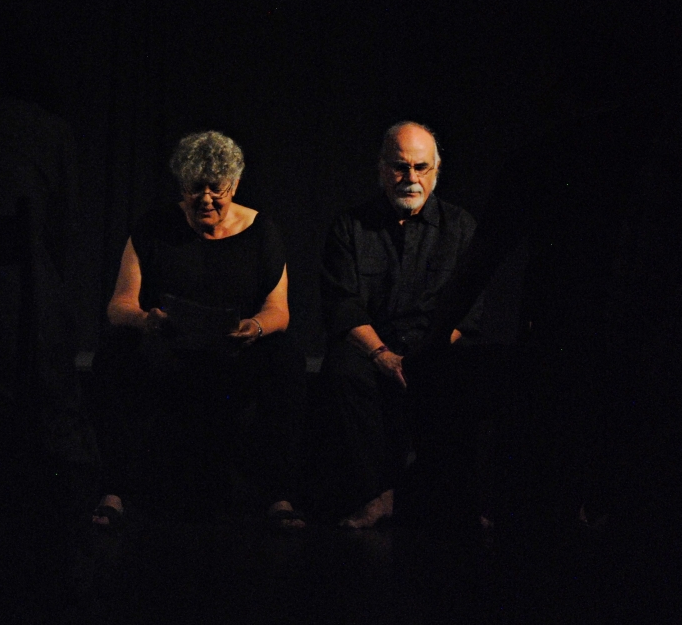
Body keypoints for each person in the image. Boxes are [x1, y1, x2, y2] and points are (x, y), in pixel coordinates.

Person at [95, 130, 307, 529]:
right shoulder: (154, 227)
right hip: (169, 349)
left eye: (216, 189)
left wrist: (254, 327)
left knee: (285, 356)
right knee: (117, 348)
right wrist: (146, 319)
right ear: (182, 186)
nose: (206, 198)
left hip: (235, 352)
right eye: (196, 188)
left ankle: (279, 494)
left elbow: (279, 311)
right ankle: (115, 490)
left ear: (235, 185)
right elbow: (119, 305)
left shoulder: (262, 231)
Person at [320, 121, 483, 529]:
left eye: (421, 167)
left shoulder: (461, 227)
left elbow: (469, 309)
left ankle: (455, 501)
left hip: (436, 346)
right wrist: (381, 354)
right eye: (400, 166)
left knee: (467, 374)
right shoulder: (350, 226)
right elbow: (342, 303)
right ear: (381, 169)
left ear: (436, 170)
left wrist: (427, 356)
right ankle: (376, 496)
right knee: (343, 371)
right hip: (374, 346)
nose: (411, 177)